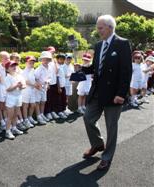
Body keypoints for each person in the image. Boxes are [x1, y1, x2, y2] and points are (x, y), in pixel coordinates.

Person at [77, 15, 132, 170]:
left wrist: (121, 94)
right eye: (98, 27)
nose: (98, 30)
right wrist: (82, 68)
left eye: (100, 27)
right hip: (97, 92)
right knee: (88, 118)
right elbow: (96, 67)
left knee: (111, 127)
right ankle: (97, 144)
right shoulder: (99, 45)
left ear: (110, 27)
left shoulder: (122, 43)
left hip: (114, 94)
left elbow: (126, 71)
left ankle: (107, 156)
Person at [4, 60, 25, 139]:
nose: (14, 67)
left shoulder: (19, 76)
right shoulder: (7, 78)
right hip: (10, 98)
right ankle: (7, 131)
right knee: (10, 115)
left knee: (16, 114)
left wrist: (21, 86)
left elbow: (24, 86)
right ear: (7, 69)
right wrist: (16, 85)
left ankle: (14, 128)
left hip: (18, 97)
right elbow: (8, 89)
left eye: (15, 66)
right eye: (12, 66)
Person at [34, 51, 52, 125]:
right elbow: (36, 78)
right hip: (38, 88)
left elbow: (49, 77)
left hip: (45, 87)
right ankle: (39, 117)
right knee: (37, 102)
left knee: (43, 102)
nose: (46, 61)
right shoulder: (39, 69)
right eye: (44, 59)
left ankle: (42, 114)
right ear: (41, 60)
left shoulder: (49, 67)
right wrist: (39, 85)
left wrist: (47, 83)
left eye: (47, 59)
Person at [21, 56, 38, 128]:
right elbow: (26, 81)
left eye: (33, 62)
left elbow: (35, 79)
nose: (32, 63)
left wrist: (36, 84)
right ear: (26, 62)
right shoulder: (24, 71)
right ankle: (25, 120)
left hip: (32, 90)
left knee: (33, 105)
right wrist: (34, 85)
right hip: (26, 90)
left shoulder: (33, 70)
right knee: (25, 106)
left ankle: (30, 117)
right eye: (30, 62)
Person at [44, 46, 60, 120]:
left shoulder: (54, 61)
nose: (52, 53)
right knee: (48, 99)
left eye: (53, 52)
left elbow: (57, 72)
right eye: (51, 52)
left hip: (54, 82)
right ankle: (48, 112)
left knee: (53, 98)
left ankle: (53, 111)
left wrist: (56, 63)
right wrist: (48, 83)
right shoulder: (46, 61)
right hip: (48, 83)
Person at [0, 51, 10, 130]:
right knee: (0, 106)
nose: (7, 60)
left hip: (8, 89)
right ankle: (2, 121)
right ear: (0, 59)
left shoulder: (10, 66)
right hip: (1, 89)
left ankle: (5, 120)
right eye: (5, 58)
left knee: (5, 106)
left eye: (8, 58)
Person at [55, 53, 68, 119]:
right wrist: (59, 87)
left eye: (63, 59)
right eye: (61, 59)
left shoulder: (62, 66)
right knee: (59, 100)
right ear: (57, 59)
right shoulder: (56, 66)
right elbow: (57, 77)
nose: (62, 61)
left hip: (63, 85)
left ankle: (63, 110)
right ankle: (59, 112)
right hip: (59, 87)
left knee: (63, 99)